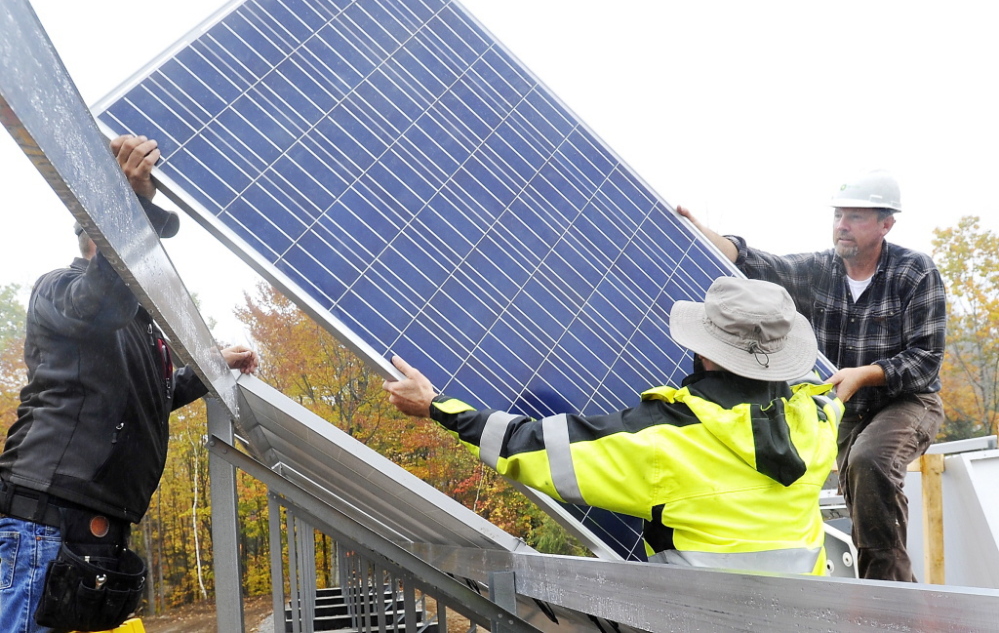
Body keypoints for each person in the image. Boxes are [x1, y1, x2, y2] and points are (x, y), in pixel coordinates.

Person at [384, 277, 843, 575]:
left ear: (706, 350)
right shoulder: (820, 421)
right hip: (803, 615)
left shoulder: (662, 438)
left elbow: (533, 448)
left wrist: (438, 407)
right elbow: (833, 398)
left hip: (694, 619)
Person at [0, 134, 259, 633]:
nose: (149, 247)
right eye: (138, 232)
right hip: (44, 521)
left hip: (91, 528)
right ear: (97, 238)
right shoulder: (60, 289)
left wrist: (210, 366)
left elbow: (153, 398)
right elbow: (100, 303)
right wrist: (129, 205)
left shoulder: (142, 329)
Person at [677, 170, 945, 582]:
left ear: (886, 224)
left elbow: (926, 359)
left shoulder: (914, 272)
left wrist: (864, 375)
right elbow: (759, 263)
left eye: (856, 217)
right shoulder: (820, 270)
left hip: (907, 401)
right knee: (771, 457)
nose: (842, 226)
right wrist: (699, 231)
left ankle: (889, 594)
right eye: (839, 215)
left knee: (870, 461)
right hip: (844, 406)